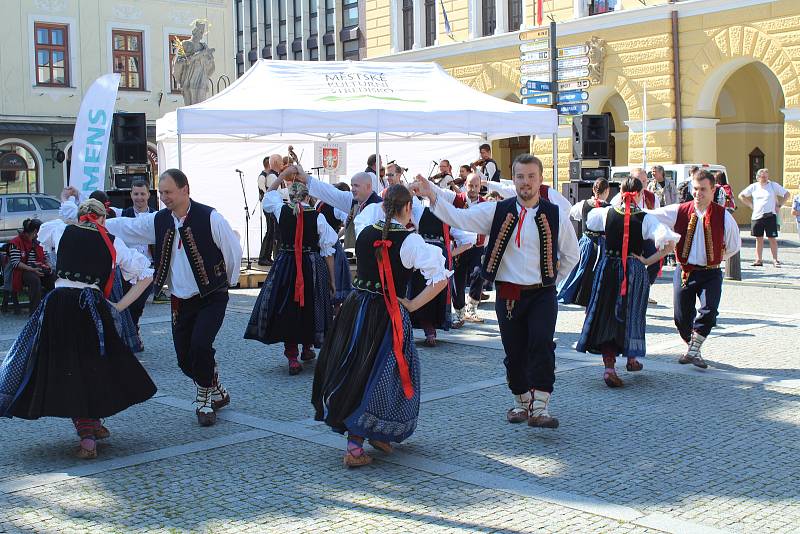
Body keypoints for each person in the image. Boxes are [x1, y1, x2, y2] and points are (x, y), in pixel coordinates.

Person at [415, 154, 579, 428]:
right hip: (509, 294)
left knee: (541, 345)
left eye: (531, 177)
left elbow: (571, 255)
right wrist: (432, 194)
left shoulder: (556, 214)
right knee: (513, 351)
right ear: (513, 180)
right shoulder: (497, 210)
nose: (526, 182)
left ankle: (540, 407)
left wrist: (552, 280)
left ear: (540, 180)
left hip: (542, 294)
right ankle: (521, 401)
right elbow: (459, 217)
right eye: (520, 177)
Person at [0, 199, 156, 459]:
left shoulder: (61, 230)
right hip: (92, 307)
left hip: (58, 305)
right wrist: (118, 306)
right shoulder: (113, 242)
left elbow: (44, 237)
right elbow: (146, 275)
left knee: (64, 367)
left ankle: (88, 432)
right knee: (94, 366)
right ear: (102, 219)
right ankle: (90, 428)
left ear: (81, 218)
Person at [312, 184, 450, 467]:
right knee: (383, 374)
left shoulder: (364, 232)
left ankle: (376, 432)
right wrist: (412, 305)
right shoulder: (411, 242)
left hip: (357, 309)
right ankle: (355, 446)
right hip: (388, 315)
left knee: (355, 367)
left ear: (383, 206)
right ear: (408, 208)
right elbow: (441, 278)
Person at [102, 169, 242, 427]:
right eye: (161, 192)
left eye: (168, 192)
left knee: (200, 345)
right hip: (180, 300)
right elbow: (128, 227)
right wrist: (96, 222)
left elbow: (233, 251)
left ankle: (204, 401)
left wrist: (227, 282)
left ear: (185, 189)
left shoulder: (210, 217)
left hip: (212, 295)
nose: (164, 197)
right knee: (184, 359)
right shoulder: (160, 220)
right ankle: (216, 388)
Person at [577, 178, 678, 387]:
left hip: (608, 269)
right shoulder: (646, 219)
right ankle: (631, 359)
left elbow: (589, 224)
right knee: (632, 313)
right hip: (633, 270)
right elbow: (669, 245)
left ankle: (609, 367)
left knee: (606, 313)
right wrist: (647, 260)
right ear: (640, 194)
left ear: (620, 192)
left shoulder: (605, 213)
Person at [648, 170, 741, 369]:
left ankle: (693, 349)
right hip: (684, 271)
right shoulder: (679, 210)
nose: (698, 193)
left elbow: (734, 245)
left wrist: (717, 257)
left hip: (711, 272)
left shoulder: (723, 216)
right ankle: (694, 349)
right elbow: (650, 215)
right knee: (681, 317)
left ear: (713, 189)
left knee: (709, 311)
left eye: (703, 190)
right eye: (696, 189)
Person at [245, 178, 337, 375]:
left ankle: (293, 356)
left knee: (288, 307)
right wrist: (332, 280)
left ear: (290, 196)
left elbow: (268, 195)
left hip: (286, 265)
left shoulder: (281, 209)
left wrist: (281, 176)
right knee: (312, 305)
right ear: (307, 196)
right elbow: (328, 250)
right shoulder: (318, 217)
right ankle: (306, 349)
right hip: (311, 266)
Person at [423, 173, 486, 327]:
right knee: (458, 280)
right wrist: (426, 184)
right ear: (465, 184)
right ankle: (459, 313)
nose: (473, 189)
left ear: (480, 187)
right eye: (470, 185)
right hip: (459, 247)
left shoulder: (485, 203)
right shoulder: (457, 198)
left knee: (479, 273)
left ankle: (472, 308)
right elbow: (440, 192)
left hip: (477, 247)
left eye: (476, 186)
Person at [557, 178, 611, 306]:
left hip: (586, 241)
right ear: (607, 190)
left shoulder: (583, 204)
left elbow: (573, 214)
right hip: (602, 245)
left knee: (579, 267)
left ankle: (571, 292)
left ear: (593, 189)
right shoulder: (610, 208)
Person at [121, 180, 156, 331]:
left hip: (147, 268)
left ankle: (133, 330)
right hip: (127, 269)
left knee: (138, 304)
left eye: (142, 194)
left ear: (148, 195)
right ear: (131, 195)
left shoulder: (156, 216)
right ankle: (131, 334)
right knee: (126, 303)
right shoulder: (124, 214)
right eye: (136, 194)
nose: (139, 197)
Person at [738, 168, 790, 267]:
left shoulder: (773, 185)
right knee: (759, 238)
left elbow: (787, 194)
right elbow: (741, 196)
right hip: (757, 216)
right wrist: (750, 205)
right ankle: (758, 259)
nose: (765, 178)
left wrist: (779, 206)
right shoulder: (754, 187)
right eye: (762, 177)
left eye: (766, 176)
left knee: (772, 238)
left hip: (770, 215)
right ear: (758, 178)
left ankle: (775, 260)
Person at [4, 218, 55, 313]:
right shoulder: (15, 242)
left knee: (54, 277)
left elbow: (45, 257)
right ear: (35, 231)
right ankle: (35, 311)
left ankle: (52, 307)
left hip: (38, 268)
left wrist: (49, 265)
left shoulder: (38, 242)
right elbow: (16, 263)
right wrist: (32, 269)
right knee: (34, 279)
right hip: (22, 272)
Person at [316, 182, 353, 307]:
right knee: (336, 279)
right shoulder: (337, 207)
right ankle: (336, 314)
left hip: (317, 245)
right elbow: (348, 222)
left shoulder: (320, 202)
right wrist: (336, 236)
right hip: (331, 246)